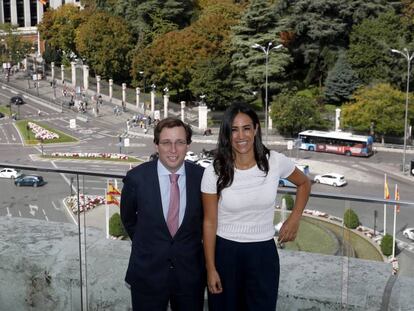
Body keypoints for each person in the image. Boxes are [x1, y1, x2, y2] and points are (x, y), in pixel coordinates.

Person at [201, 102, 311, 311]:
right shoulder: (214, 171)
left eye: (246, 128)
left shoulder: (275, 161)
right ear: (227, 133)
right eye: (234, 130)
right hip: (226, 254)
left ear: (256, 129)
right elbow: (209, 222)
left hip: (263, 254)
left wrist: (294, 218)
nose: (241, 136)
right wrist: (210, 268)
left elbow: (304, 183)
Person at [121, 117, 206, 311]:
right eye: (166, 142)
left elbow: (206, 222)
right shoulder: (136, 179)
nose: (173, 150)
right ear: (156, 145)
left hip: (190, 277)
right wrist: (151, 245)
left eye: (180, 142)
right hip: (147, 274)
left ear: (188, 145)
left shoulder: (202, 178)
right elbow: (129, 220)